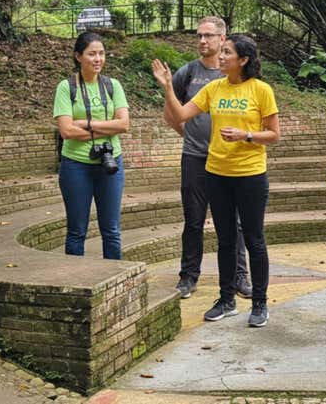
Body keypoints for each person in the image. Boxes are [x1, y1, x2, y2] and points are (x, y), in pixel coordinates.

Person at [152, 34, 280, 327]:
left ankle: (259, 303)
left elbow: (274, 135)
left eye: (227, 53)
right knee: (224, 240)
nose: (220, 57)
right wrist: (169, 87)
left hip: (250, 175)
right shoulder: (214, 88)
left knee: (254, 239)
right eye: (221, 52)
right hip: (216, 173)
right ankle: (226, 300)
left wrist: (246, 135)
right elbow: (181, 113)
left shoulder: (261, 90)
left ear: (243, 60)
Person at [167, 16, 251, 300]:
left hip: (229, 160)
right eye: (199, 35)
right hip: (195, 158)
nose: (202, 40)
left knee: (234, 221)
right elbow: (172, 111)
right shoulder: (187, 73)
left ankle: (240, 276)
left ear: (222, 39)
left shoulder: (235, 74)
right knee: (193, 219)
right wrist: (188, 135)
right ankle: (188, 276)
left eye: (209, 36)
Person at [53, 31, 129, 259]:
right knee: (77, 231)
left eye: (102, 54)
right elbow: (66, 131)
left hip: (111, 162)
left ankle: (116, 282)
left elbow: (124, 125)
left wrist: (85, 125)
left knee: (112, 231)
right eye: (92, 54)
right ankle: (77, 283)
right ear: (78, 56)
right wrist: (108, 127)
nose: (98, 59)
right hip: (76, 165)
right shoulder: (66, 87)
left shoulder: (113, 85)